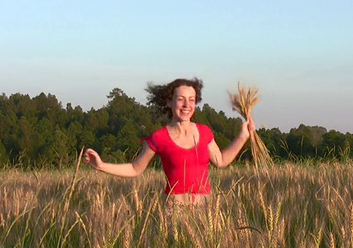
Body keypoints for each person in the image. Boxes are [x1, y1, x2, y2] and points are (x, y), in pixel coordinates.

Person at [84, 77, 254, 207]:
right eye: (181, 99)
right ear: (169, 102)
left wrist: (243, 136)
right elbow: (135, 169)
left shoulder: (204, 132)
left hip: (205, 209)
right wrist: (101, 166)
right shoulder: (159, 137)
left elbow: (221, 161)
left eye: (192, 100)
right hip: (174, 211)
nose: (186, 105)